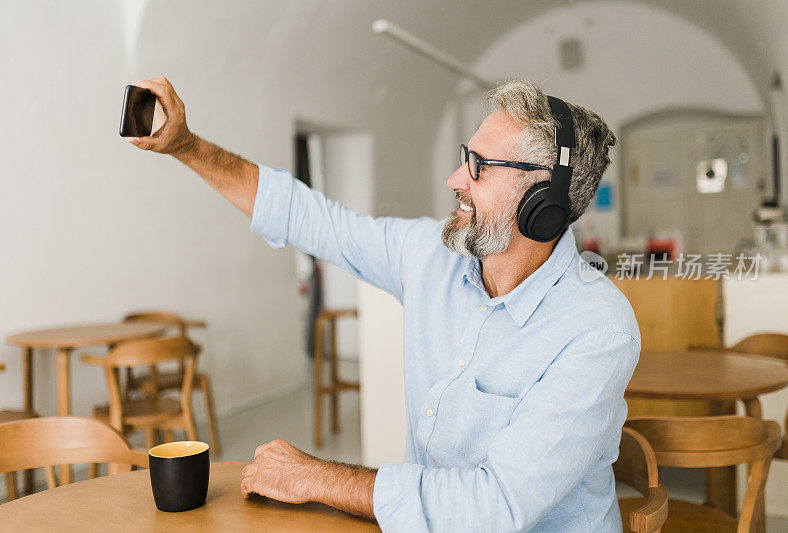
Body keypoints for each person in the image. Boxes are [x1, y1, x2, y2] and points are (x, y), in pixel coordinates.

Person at [127, 76, 639, 532]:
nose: (455, 180)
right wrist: (187, 147)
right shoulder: (431, 256)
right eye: (466, 156)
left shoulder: (598, 329)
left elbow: (494, 507)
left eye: (479, 167)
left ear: (541, 203)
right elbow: (311, 218)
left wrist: (319, 477)